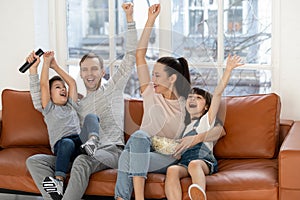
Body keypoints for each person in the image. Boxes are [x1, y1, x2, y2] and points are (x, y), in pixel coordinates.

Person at [25, 2, 137, 200]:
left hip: (110, 151)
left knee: (82, 161)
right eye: (84, 69)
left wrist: (129, 19)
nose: (89, 73)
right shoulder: (75, 104)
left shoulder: (112, 89)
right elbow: (40, 101)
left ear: (102, 72)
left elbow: (130, 58)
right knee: (35, 161)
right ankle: (55, 197)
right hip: (78, 151)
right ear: (81, 74)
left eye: (94, 69)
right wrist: (34, 70)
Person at [114, 4, 191, 200]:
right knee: (139, 136)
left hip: (166, 158)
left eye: (157, 75)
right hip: (142, 147)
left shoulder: (187, 105)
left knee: (127, 156)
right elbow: (139, 55)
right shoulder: (150, 94)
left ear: (172, 78)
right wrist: (150, 20)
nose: (152, 79)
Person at [165, 55, 244, 200]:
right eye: (190, 97)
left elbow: (218, 93)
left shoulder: (206, 120)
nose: (193, 99)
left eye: (198, 98)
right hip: (183, 162)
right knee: (172, 170)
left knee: (194, 165)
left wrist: (228, 70)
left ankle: (199, 194)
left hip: (202, 162)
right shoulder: (184, 126)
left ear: (206, 107)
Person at [26, 51, 100, 200]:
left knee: (92, 117)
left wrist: (55, 66)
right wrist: (46, 64)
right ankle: (58, 182)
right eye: (58, 87)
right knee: (65, 143)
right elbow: (43, 86)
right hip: (63, 148)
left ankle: (93, 142)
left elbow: (72, 82)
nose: (63, 89)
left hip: (80, 144)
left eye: (63, 87)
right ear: (50, 94)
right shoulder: (49, 108)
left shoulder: (71, 106)